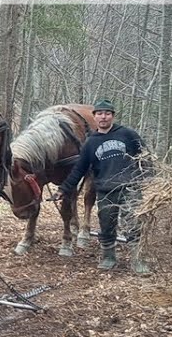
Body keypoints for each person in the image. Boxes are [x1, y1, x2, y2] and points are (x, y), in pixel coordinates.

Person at [56, 98, 151, 273]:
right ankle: (108, 257)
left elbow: (145, 156)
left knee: (134, 222)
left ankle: (138, 260)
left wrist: (146, 177)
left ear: (112, 116)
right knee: (106, 223)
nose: (103, 117)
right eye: (99, 113)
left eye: (107, 113)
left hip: (130, 186)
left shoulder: (128, 134)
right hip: (106, 189)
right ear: (95, 117)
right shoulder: (91, 143)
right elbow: (79, 169)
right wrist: (64, 188)